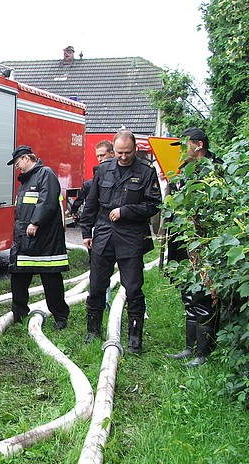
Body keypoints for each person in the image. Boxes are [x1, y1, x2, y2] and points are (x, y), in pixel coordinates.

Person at [79, 129, 161, 353]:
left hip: (131, 236)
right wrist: (86, 232)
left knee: (133, 288)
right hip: (104, 234)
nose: (123, 157)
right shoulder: (104, 169)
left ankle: (135, 338)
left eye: (128, 152)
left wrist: (126, 211)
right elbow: (91, 203)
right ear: (113, 150)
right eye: (119, 152)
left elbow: (154, 204)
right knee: (97, 285)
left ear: (135, 149)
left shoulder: (146, 172)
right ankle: (93, 331)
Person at [165, 127, 221, 367]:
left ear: (198, 145)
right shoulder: (185, 170)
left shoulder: (214, 170)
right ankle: (190, 348)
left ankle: (203, 353)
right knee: (188, 295)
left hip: (204, 246)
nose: (181, 151)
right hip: (183, 244)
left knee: (203, 296)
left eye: (184, 145)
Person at [6, 145, 70, 329]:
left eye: (17, 163)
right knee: (18, 278)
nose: (17, 167)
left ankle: (60, 317)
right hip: (25, 240)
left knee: (51, 280)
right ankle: (19, 316)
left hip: (44, 241)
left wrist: (35, 222)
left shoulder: (45, 174)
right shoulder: (26, 181)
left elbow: (47, 201)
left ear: (27, 158)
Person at [70, 140, 115, 222]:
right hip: (101, 220)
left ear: (112, 153)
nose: (100, 159)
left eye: (102, 155)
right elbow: (90, 203)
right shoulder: (94, 179)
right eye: (98, 156)